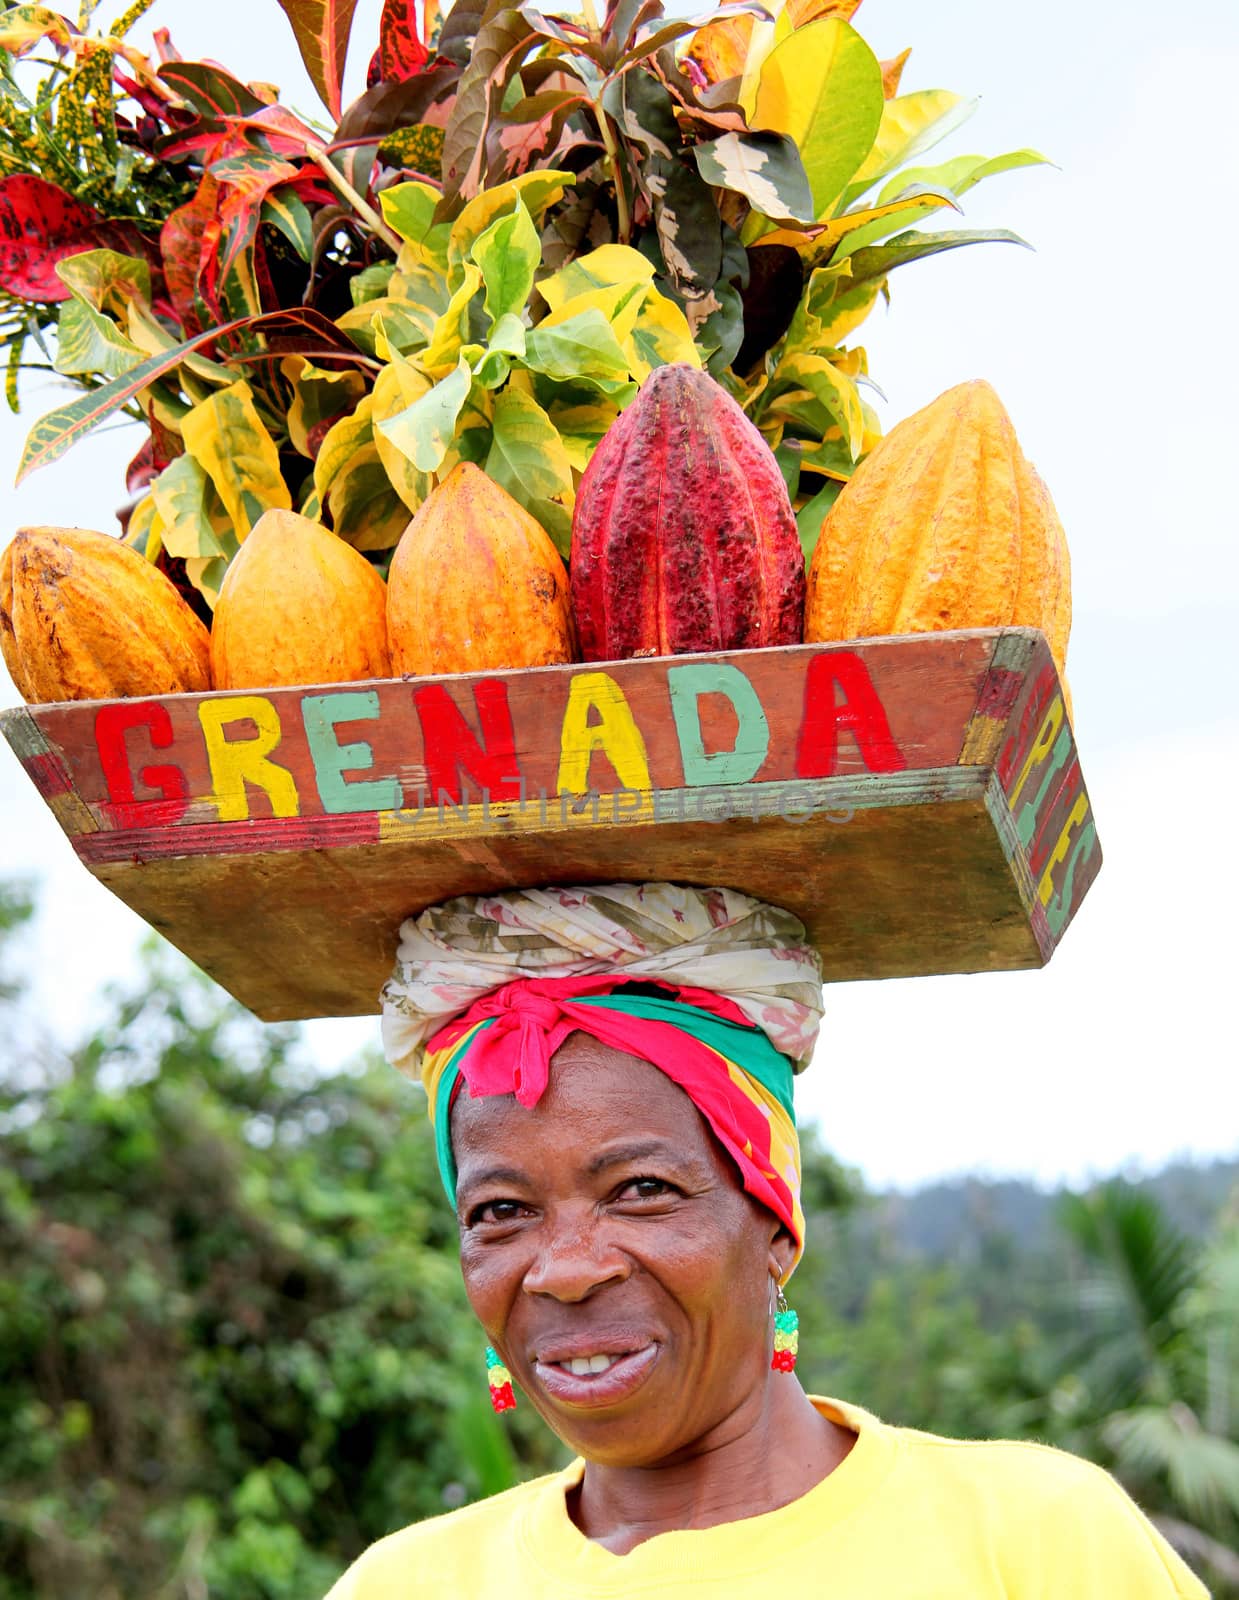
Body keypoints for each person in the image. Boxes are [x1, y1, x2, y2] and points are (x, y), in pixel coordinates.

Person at [326, 882, 1209, 1599]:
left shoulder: (1036, 1537)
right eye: (501, 1212)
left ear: (775, 1226)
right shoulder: (407, 1583)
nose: (564, 1270)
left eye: (641, 1191)